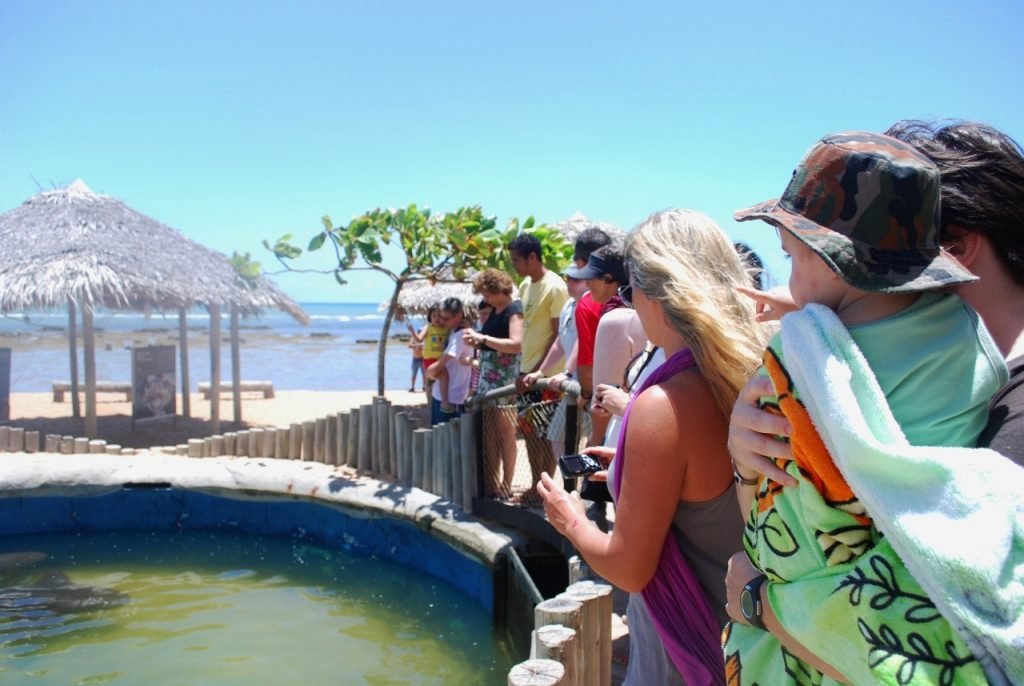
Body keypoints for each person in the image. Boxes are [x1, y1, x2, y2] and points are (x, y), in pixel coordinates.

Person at [722, 131, 1009, 685]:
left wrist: (738, 452)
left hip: (816, 609)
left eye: (791, 258)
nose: (791, 282)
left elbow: (763, 507)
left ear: (831, 258)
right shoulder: (966, 335)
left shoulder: (801, 356)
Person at [538, 209, 764, 686]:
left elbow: (629, 569)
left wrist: (570, 517)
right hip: (748, 634)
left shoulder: (664, 403)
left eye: (629, 290)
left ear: (653, 293)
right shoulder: (747, 375)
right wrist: (631, 467)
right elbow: (711, 486)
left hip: (684, 644)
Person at [508, 233, 569, 501]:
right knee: (531, 434)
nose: (515, 266)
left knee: (547, 435)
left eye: (517, 260)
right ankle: (537, 485)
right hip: (527, 370)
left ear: (533, 257)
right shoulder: (524, 285)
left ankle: (544, 489)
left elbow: (559, 334)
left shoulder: (554, 286)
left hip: (546, 375)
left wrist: (540, 370)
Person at [464, 268, 523, 497]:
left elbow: (516, 344)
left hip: (504, 379)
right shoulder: (497, 310)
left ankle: (507, 484)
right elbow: (493, 344)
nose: (484, 299)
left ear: (498, 289)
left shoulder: (514, 309)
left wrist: (483, 339)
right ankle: (493, 482)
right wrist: (478, 342)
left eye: (487, 294)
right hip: (489, 379)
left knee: (505, 432)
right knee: (490, 433)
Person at [426, 297, 474, 425]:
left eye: (446, 318)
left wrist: (429, 373)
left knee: (448, 441)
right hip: (444, 395)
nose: (442, 321)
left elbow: (439, 365)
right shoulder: (453, 331)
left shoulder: (460, 336)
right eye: (441, 317)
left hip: (452, 397)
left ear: (458, 316)